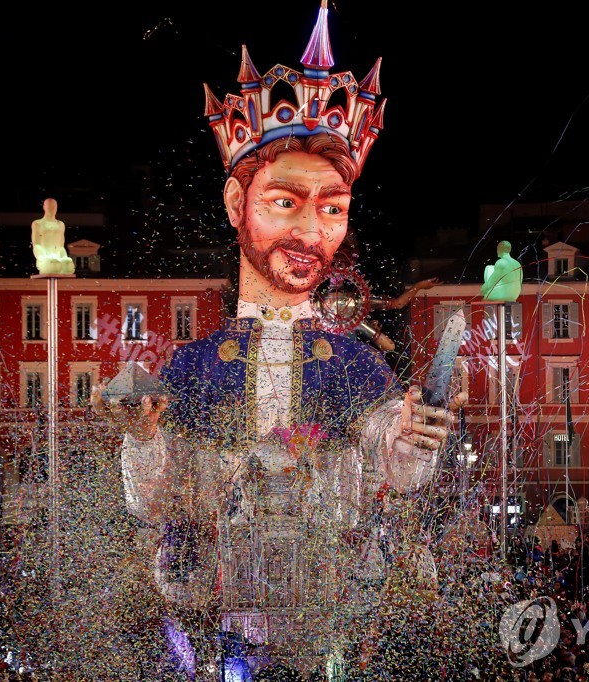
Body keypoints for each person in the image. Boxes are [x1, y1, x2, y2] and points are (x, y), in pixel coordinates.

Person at [93, 4, 465, 678]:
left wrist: (416, 435)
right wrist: (142, 440)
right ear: (238, 203)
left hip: (327, 625)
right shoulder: (194, 366)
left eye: (332, 208)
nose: (311, 233)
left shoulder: (354, 364)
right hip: (221, 624)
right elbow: (150, 502)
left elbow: (399, 472)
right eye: (285, 202)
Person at [30, 198, 75, 275]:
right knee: (53, 266)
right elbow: (36, 244)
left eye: (53, 207)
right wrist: (42, 257)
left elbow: (61, 245)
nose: (51, 209)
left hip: (58, 257)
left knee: (68, 266)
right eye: (49, 207)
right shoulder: (38, 223)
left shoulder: (61, 224)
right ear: (44, 207)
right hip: (45, 258)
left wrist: (64, 257)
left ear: (56, 207)